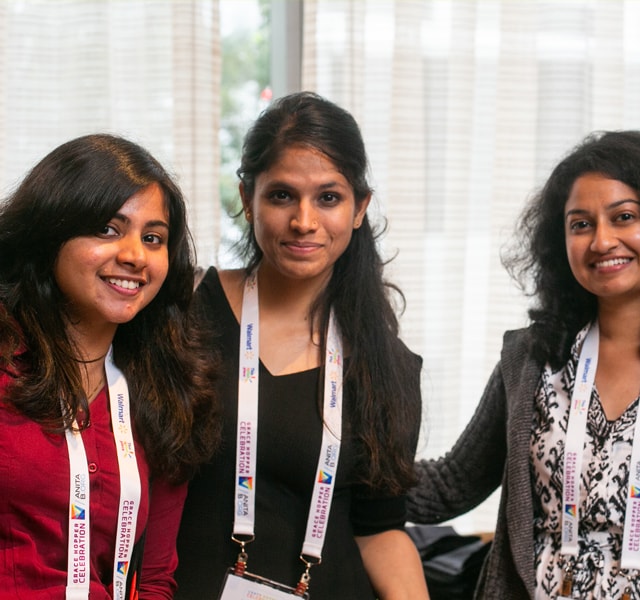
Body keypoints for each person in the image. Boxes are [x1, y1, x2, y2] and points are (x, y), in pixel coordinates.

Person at [408, 130, 640, 599]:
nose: (601, 241)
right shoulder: (532, 359)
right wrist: (325, 458)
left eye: (624, 217)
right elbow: (450, 485)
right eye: (580, 224)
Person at [175, 91, 428, 599]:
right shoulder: (183, 312)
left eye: (328, 198)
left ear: (360, 209)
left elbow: (380, 529)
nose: (304, 222)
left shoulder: (387, 366)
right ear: (248, 200)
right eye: (282, 195)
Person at [0, 133, 218, 598]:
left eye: (153, 238)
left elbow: (156, 578)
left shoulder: (165, 390)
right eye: (107, 229)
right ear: (50, 230)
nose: (135, 255)